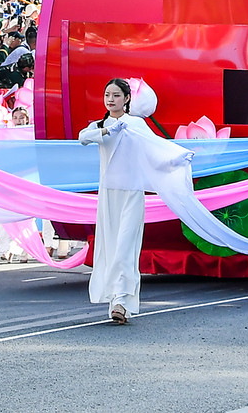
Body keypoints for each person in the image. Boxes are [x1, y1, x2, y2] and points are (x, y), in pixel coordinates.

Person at [79, 77, 154, 324]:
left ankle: (121, 301)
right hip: (108, 194)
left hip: (132, 192)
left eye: (116, 95)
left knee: (125, 247)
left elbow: (157, 148)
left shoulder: (136, 124)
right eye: (107, 95)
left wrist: (179, 158)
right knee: (109, 245)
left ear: (127, 98)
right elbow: (83, 137)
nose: (111, 100)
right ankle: (114, 299)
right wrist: (106, 130)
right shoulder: (100, 125)